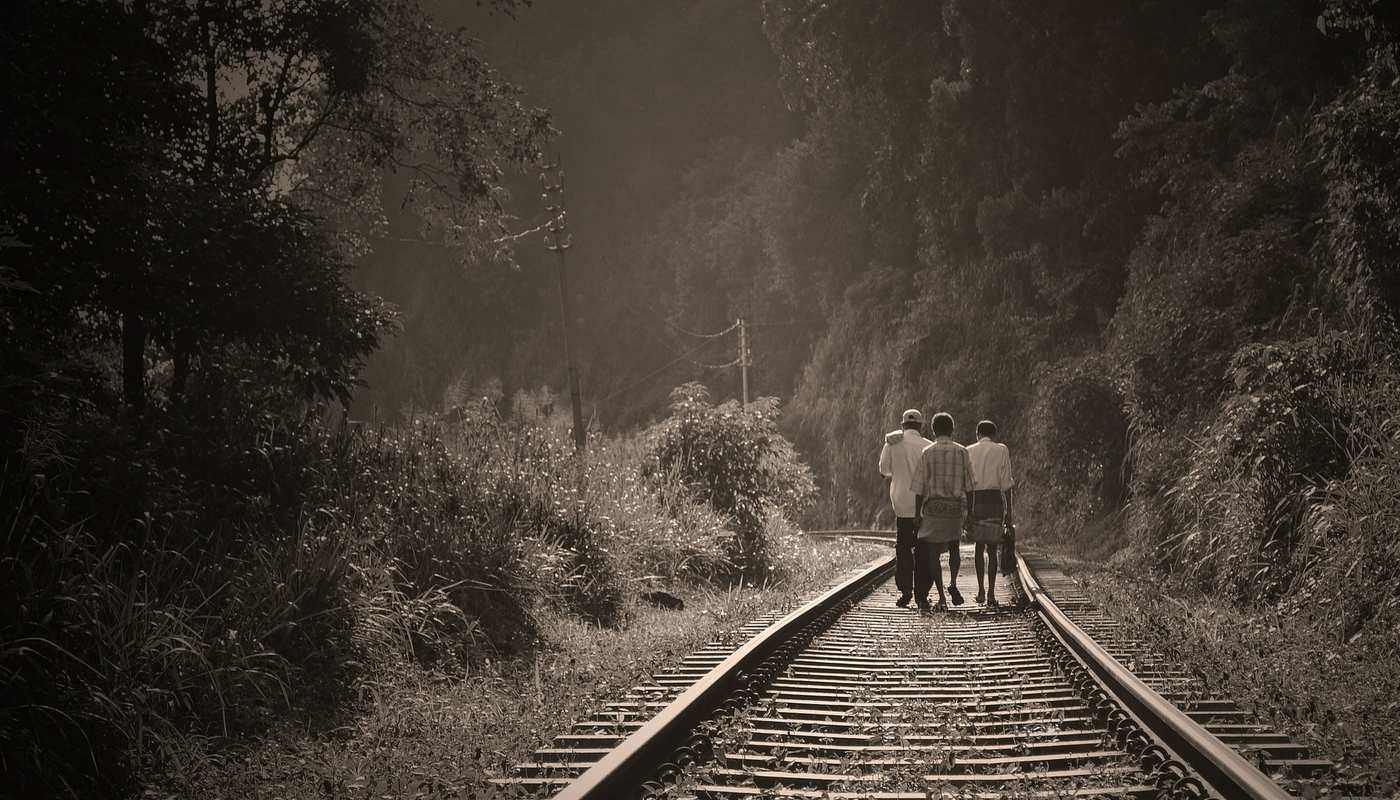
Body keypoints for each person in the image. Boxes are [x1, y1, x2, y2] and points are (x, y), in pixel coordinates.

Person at [913, 412, 974, 611]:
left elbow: (919, 487)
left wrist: (916, 514)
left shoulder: (927, 452)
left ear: (933, 430)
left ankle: (941, 597)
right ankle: (953, 583)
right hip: (954, 508)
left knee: (933, 553)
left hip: (933, 509)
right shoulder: (962, 451)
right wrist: (970, 512)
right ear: (952, 429)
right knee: (954, 546)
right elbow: (970, 485)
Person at [878, 408, 929, 607]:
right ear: (921, 425)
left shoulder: (892, 443)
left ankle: (906, 591)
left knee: (903, 548)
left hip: (901, 504)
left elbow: (883, 470)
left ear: (902, 425)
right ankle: (922, 595)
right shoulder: (929, 446)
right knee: (924, 550)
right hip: (924, 506)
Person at [966, 419, 1014, 607]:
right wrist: (1009, 512)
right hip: (995, 502)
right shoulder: (1001, 449)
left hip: (977, 501)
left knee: (979, 548)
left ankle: (980, 591)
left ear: (977, 434)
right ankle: (992, 594)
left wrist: (968, 510)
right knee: (993, 550)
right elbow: (1007, 485)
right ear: (994, 435)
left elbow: (967, 485)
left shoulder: (968, 450)